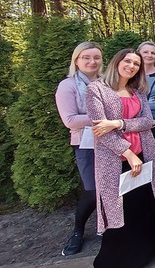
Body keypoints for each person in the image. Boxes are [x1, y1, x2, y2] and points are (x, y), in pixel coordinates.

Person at [85, 49, 155, 268]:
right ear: (117, 62)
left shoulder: (138, 91)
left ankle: (152, 248)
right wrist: (128, 152)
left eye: (136, 63)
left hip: (145, 153)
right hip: (116, 159)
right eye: (128, 61)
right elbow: (99, 129)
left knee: (145, 202)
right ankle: (125, 258)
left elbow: (147, 122)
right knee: (123, 207)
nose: (131, 66)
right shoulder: (97, 89)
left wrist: (118, 123)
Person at [55, 41, 103, 256]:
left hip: (112, 142)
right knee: (92, 190)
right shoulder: (68, 85)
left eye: (96, 57)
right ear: (77, 60)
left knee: (112, 190)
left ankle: (109, 228)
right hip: (86, 145)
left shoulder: (106, 83)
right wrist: (103, 119)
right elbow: (70, 120)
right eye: (86, 57)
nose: (92, 61)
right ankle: (78, 231)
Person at [137, 41, 155, 163]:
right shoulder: (133, 75)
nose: (149, 55)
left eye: (153, 53)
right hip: (140, 124)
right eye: (145, 52)